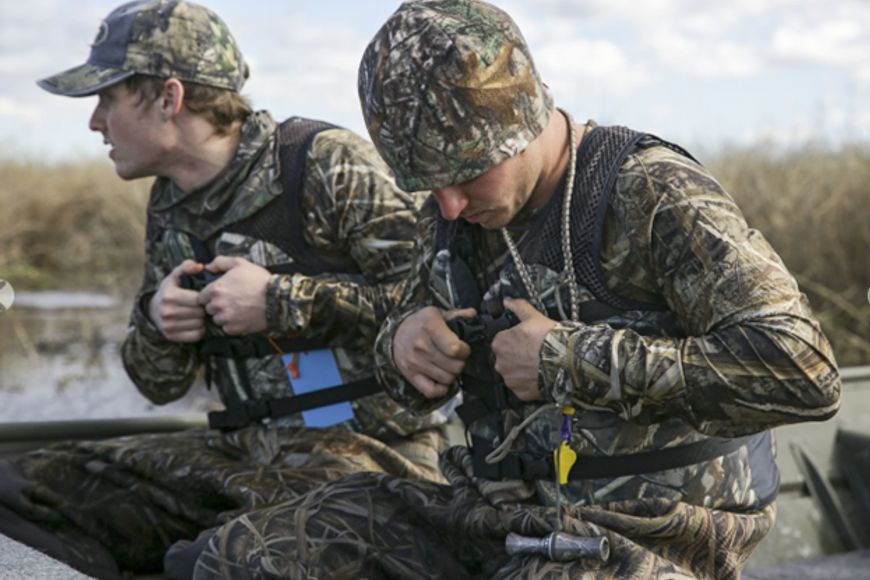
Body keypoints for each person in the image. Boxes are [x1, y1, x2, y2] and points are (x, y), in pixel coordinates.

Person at [190, 1, 843, 578]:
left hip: (657, 527)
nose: (446, 204)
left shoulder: (650, 191)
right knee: (249, 552)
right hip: (498, 515)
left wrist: (567, 359)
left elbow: (804, 371)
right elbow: (400, 343)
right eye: (425, 181)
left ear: (522, 122)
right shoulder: (452, 217)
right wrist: (403, 343)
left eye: (464, 175)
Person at [0, 1, 449, 578]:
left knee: (217, 561)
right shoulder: (169, 203)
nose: (94, 122)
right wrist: (160, 323)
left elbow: (437, 313)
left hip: (366, 461)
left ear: (169, 97)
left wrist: (281, 301)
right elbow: (159, 387)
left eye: (107, 98)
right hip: (240, 456)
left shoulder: (325, 164)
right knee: (16, 489)